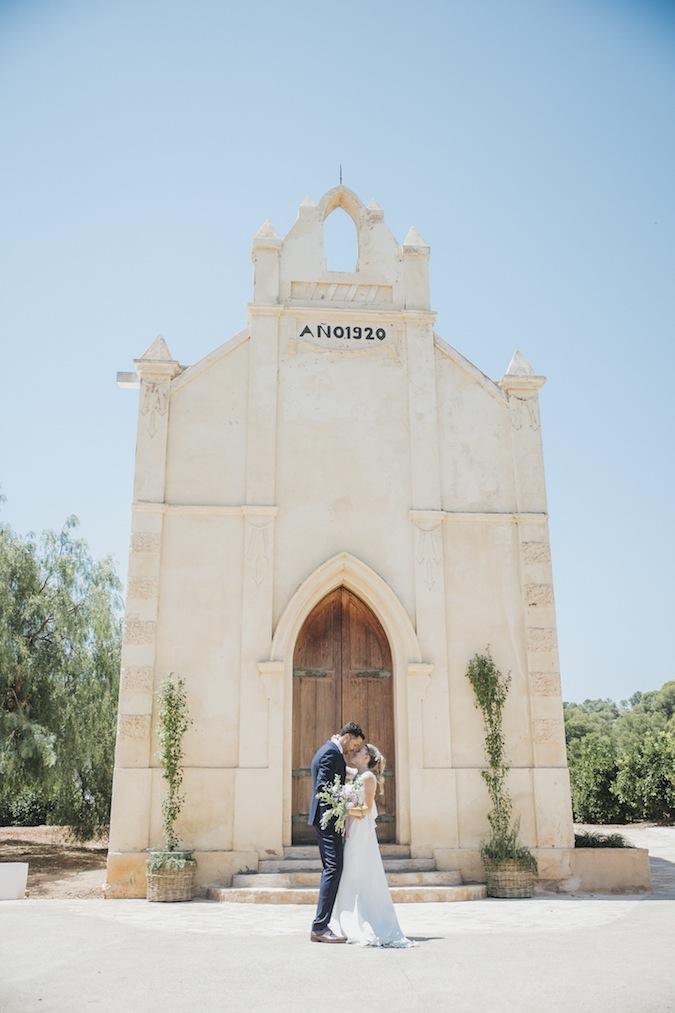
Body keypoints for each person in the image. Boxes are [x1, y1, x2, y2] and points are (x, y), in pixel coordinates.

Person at [330, 743, 415, 947]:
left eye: (359, 751)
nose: (354, 752)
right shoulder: (357, 776)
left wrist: (343, 809)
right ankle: (346, 918)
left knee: (357, 871)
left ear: (367, 758)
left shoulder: (368, 778)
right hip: (352, 831)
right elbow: (341, 766)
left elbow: (366, 810)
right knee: (350, 872)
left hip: (361, 832)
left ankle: (363, 920)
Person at [308, 721, 366, 943]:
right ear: (348, 737)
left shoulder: (327, 750)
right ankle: (320, 927)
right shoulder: (331, 753)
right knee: (333, 869)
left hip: (326, 819)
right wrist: (347, 800)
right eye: (355, 744)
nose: (354, 749)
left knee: (330, 869)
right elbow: (323, 788)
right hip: (328, 821)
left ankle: (322, 924)